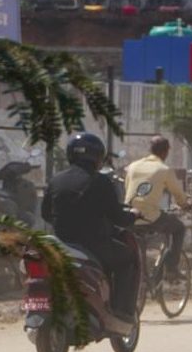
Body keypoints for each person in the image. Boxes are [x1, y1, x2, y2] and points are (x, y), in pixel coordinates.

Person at [42, 132, 138, 319]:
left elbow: (45, 213)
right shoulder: (101, 181)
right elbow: (117, 217)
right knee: (128, 260)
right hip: (94, 246)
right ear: (98, 157)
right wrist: (133, 216)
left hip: (61, 244)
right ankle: (122, 311)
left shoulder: (56, 180)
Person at [124, 135, 190, 275]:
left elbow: (128, 189)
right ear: (166, 152)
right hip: (150, 216)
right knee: (179, 228)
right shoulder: (164, 169)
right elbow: (178, 194)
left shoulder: (133, 167)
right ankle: (172, 267)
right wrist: (185, 205)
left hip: (129, 216)